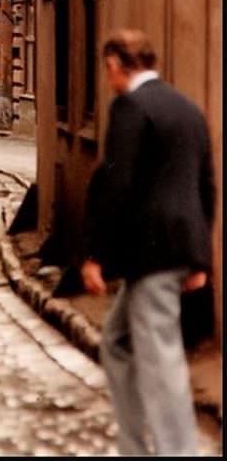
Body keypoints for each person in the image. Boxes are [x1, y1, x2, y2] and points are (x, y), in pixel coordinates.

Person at [81, 29, 215, 458]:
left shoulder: (130, 107)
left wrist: (96, 255)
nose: (108, 78)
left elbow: (115, 184)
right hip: (177, 249)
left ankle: (177, 451)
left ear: (117, 65)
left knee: (161, 358)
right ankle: (133, 446)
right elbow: (205, 187)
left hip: (152, 252)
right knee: (116, 342)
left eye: (108, 69)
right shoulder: (188, 108)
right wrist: (200, 259)